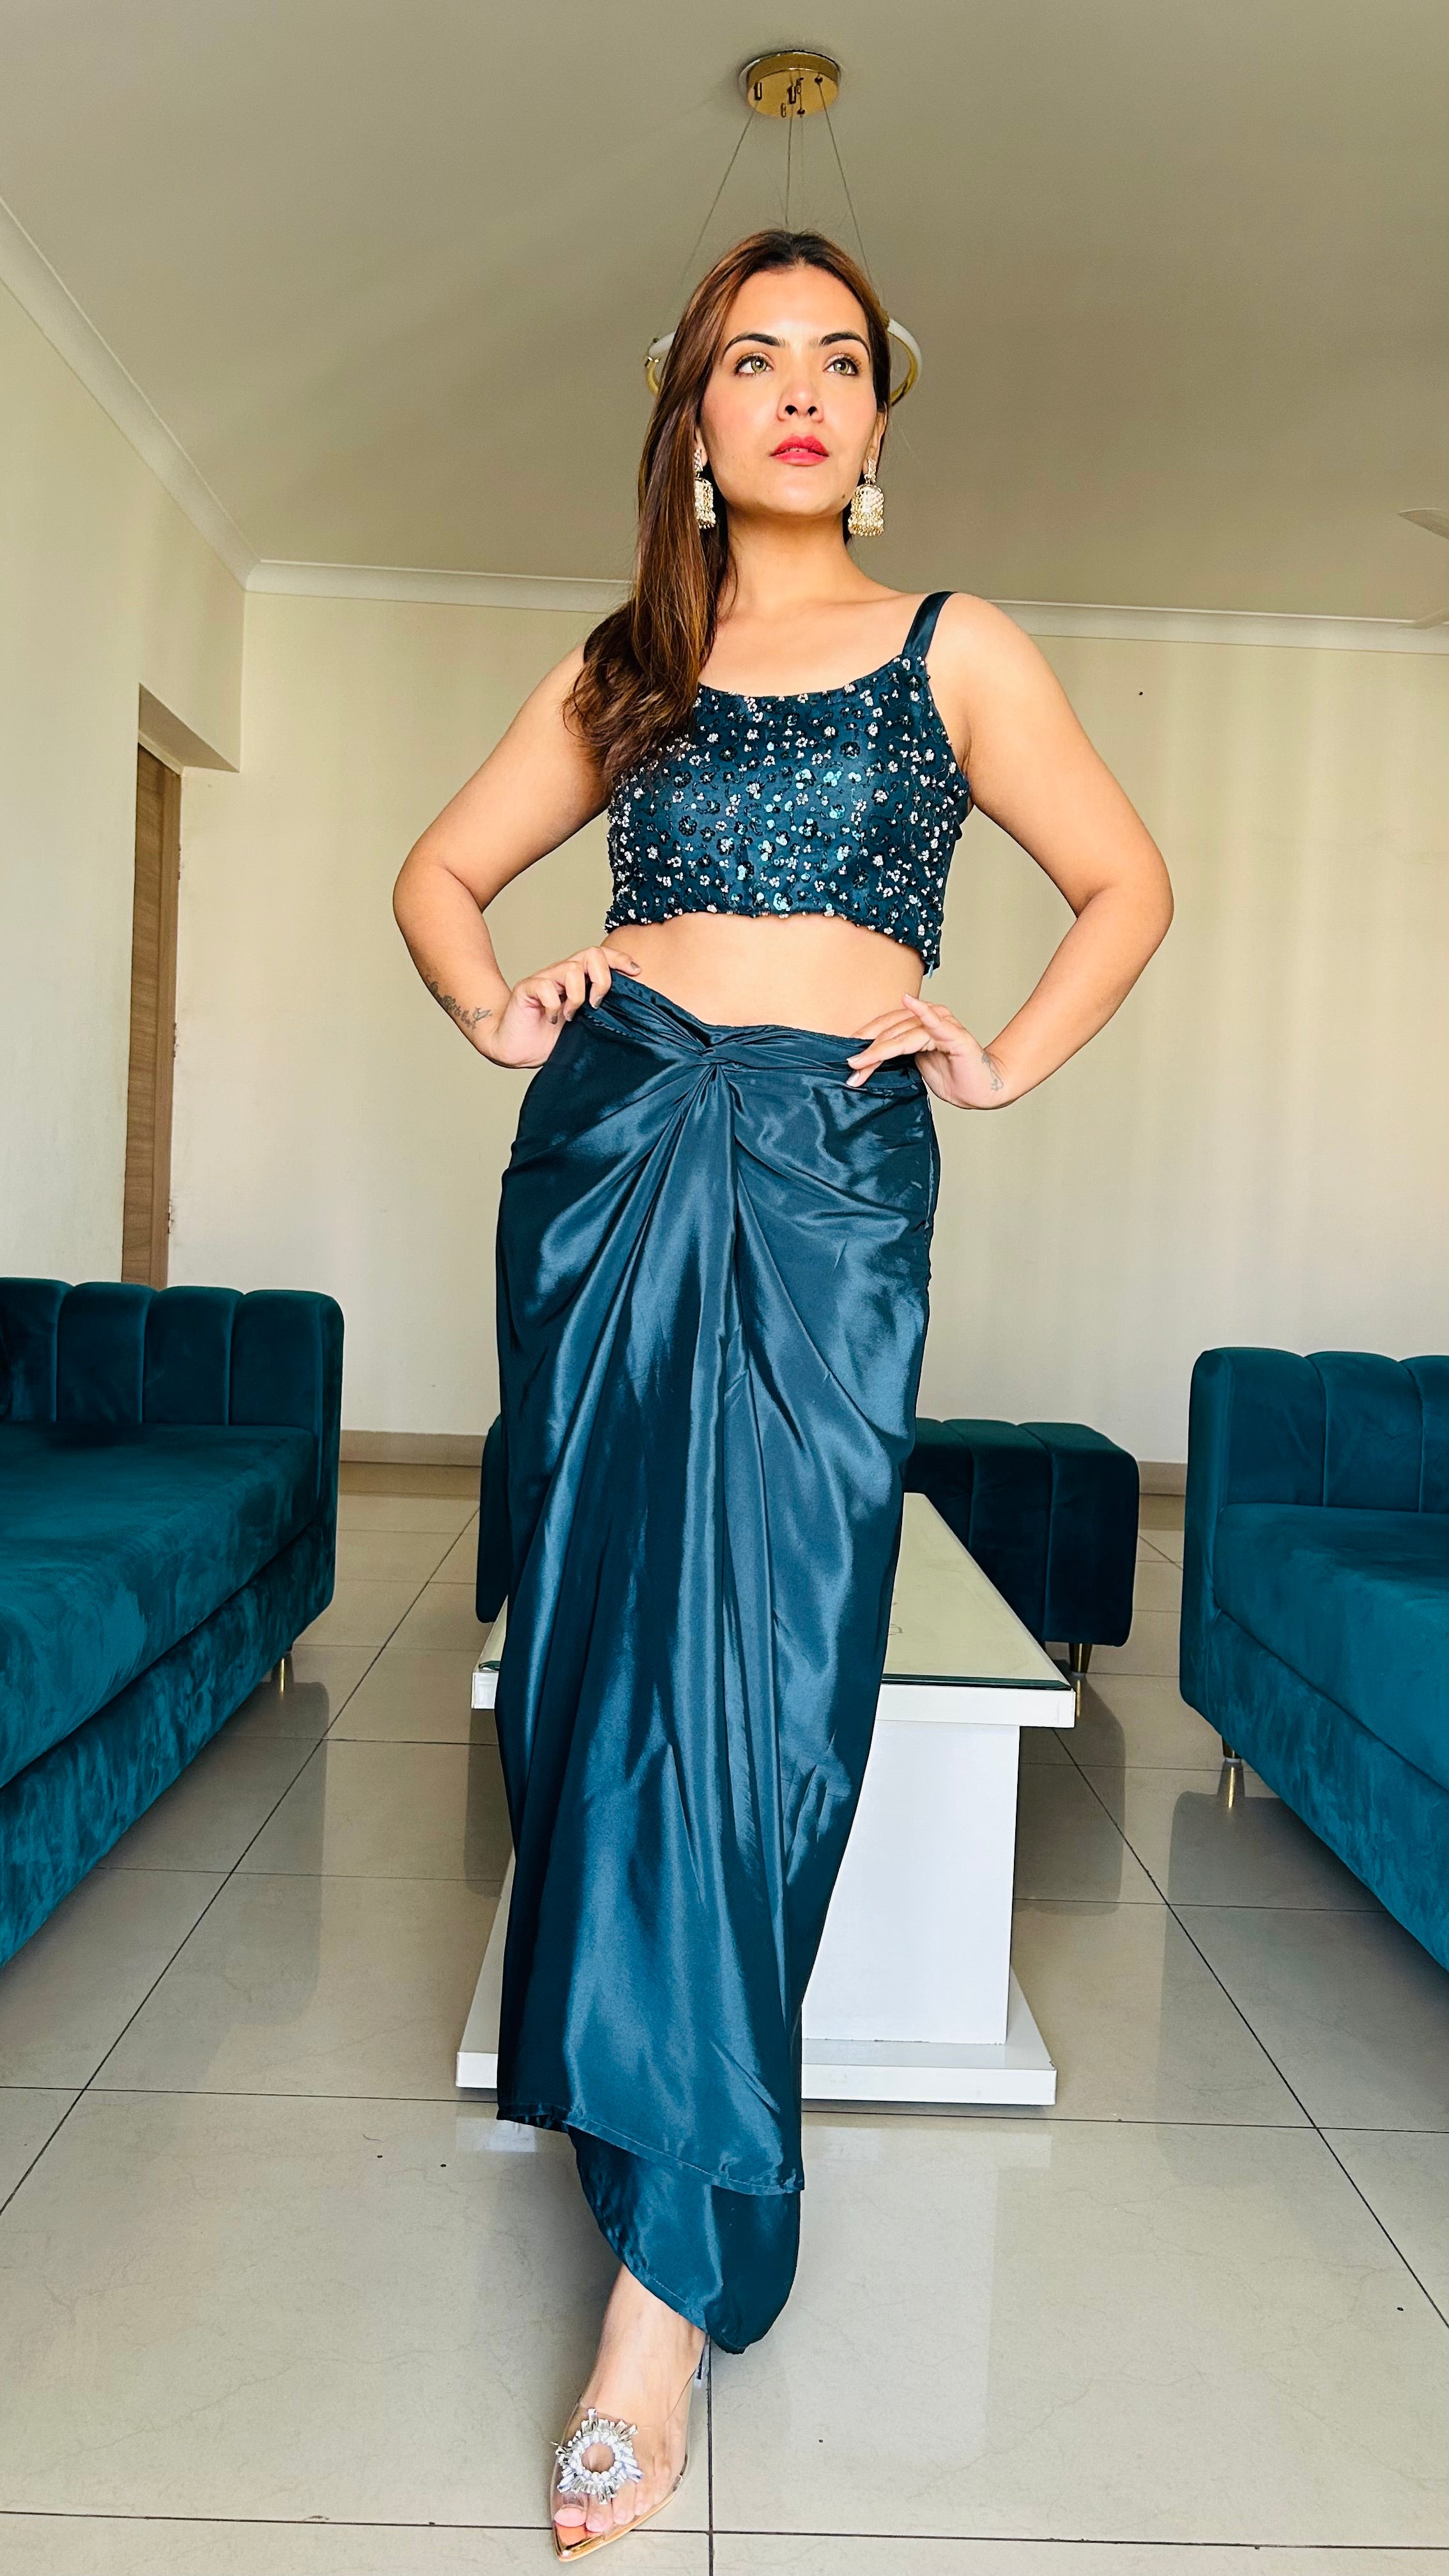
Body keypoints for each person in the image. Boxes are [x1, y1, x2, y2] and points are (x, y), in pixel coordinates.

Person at [393, 226, 1172, 2558]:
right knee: (596, 1672)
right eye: (756, 358)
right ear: (695, 416)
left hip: (830, 1175)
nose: (803, 390)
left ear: (876, 417)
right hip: (615, 1145)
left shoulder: (959, 649)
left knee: (766, 1687)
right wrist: (499, 1006)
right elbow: (439, 876)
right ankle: (657, 2265)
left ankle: (669, 2272)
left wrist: (995, 1056)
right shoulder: (626, 661)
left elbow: (1123, 885)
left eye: (839, 357)